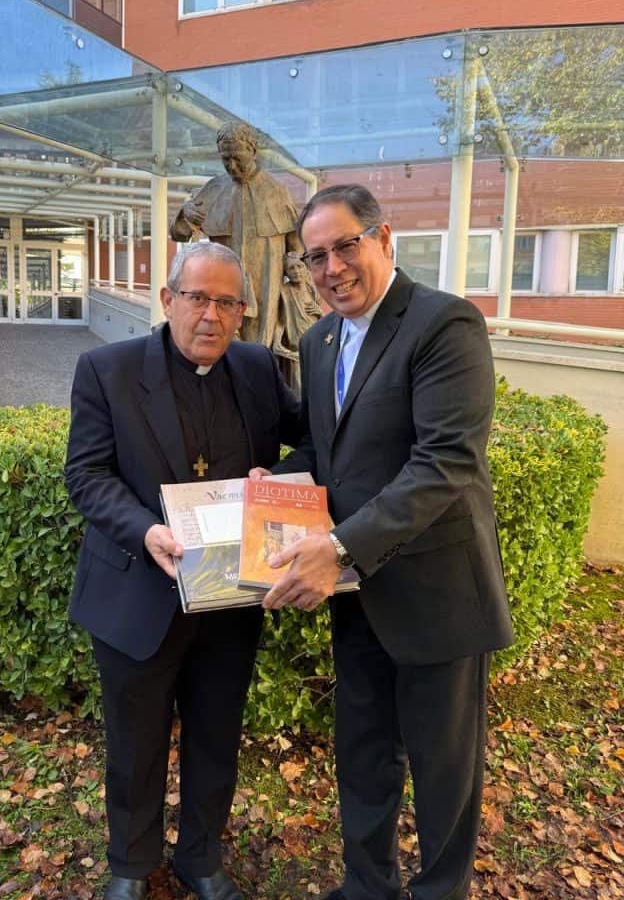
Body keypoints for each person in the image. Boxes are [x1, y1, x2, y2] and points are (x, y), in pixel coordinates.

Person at [257, 184, 514, 900]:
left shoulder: (443, 323)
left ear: (384, 237)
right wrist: (265, 486)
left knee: (443, 772)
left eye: (346, 245)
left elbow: (445, 463)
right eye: (315, 257)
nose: (332, 268)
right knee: (363, 754)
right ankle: (367, 887)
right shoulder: (319, 339)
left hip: (436, 595)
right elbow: (324, 450)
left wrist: (337, 548)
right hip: (359, 595)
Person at [64, 242, 302, 900]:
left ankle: (201, 857)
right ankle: (132, 865)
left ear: (243, 314)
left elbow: (311, 437)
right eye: (198, 297)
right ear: (167, 300)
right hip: (137, 593)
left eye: (228, 303)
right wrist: (146, 531)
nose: (212, 315)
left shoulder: (256, 369)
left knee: (216, 735)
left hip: (230, 596)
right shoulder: (106, 370)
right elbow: (85, 475)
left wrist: (278, 476)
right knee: (135, 743)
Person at [170, 120, 304, 351]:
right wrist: (185, 213)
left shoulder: (276, 190)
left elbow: (297, 245)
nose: (232, 166)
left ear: (252, 152)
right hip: (221, 283)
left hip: (265, 280)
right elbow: (179, 234)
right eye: (225, 159)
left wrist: (294, 263)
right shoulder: (214, 187)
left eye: (237, 158)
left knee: (257, 346)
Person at [272, 251, 323, 395]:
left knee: (318, 388)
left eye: (299, 266)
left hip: (316, 348)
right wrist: (278, 344)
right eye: (291, 268)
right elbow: (281, 320)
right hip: (296, 350)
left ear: (306, 267)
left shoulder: (312, 289)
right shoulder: (285, 291)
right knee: (299, 392)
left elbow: (323, 322)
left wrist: (319, 311)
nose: (296, 271)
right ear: (286, 273)